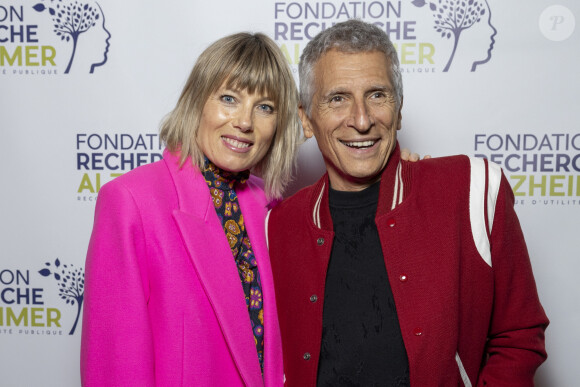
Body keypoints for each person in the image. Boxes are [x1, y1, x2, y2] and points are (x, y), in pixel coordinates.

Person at [266, 19, 549, 387]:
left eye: (377, 95)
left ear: (398, 110)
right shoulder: (279, 225)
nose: (362, 119)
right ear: (306, 119)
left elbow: (520, 334)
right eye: (338, 99)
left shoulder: (471, 188)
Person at [80, 32, 300, 386]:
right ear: (196, 102)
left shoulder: (271, 207)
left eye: (265, 107)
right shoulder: (129, 202)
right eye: (229, 98)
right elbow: (115, 366)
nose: (245, 122)